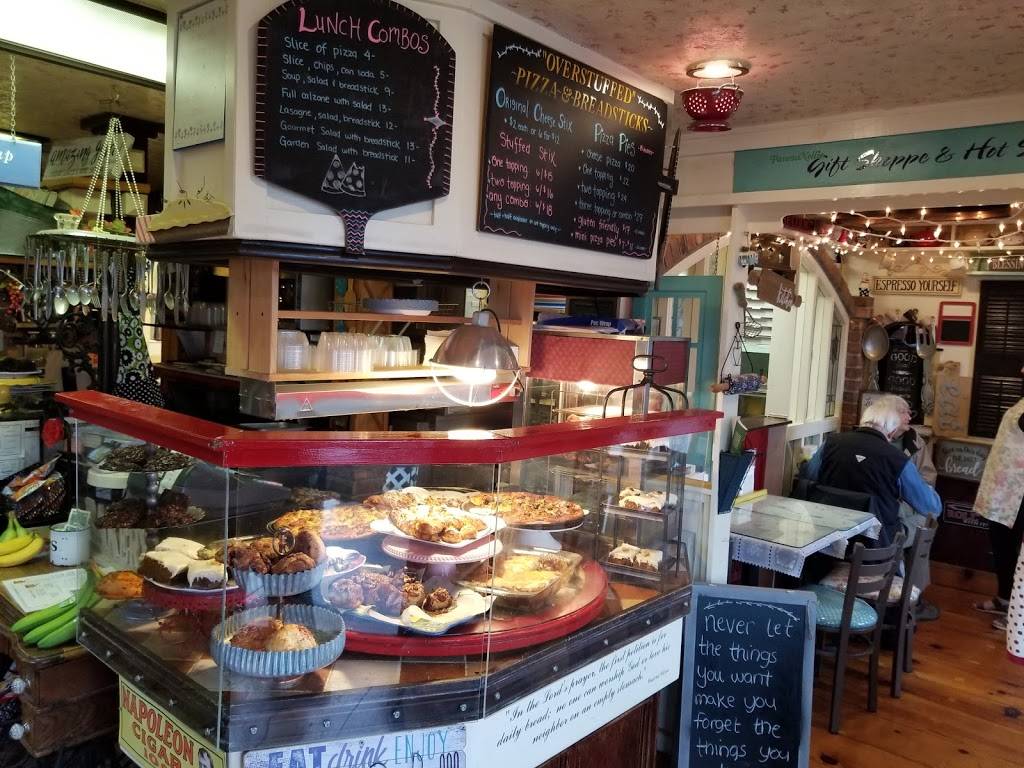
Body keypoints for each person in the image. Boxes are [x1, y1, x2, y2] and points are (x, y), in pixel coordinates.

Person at [804, 397, 942, 547]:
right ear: (893, 430)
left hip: (827, 533)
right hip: (875, 542)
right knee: (925, 519)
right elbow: (931, 507)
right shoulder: (898, 460)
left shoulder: (830, 443)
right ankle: (900, 562)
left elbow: (807, 476)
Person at [972, 371, 1024, 632]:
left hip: (1019, 493)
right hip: (1003, 491)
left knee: (1016, 552)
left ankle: (1017, 613)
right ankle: (1004, 598)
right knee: (1002, 546)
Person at [887, 395, 940, 620]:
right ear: (889, 416)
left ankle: (913, 592)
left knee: (926, 523)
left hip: (910, 502)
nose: (909, 416)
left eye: (910, 412)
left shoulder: (915, 440)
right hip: (887, 506)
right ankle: (906, 598)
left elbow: (928, 477)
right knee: (919, 526)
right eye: (904, 412)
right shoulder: (879, 440)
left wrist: (913, 495)